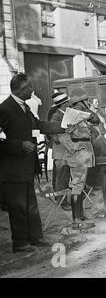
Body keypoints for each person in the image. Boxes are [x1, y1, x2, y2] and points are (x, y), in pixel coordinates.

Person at [0, 73, 65, 253]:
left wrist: (64, 127)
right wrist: (19, 145)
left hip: (27, 167)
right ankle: (20, 242)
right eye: (29, 87)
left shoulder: (25, 107)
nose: (32, 90)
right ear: (21, 89)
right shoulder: (4, 109)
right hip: (12, 170)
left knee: (30, 204)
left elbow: (39, 125)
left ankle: (36, 238)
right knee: (18, 207)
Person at [56, 89, 99, 230]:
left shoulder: (80, 115)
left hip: (84, 154)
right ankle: (77, 221)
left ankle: (80, 216)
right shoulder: (71, 115)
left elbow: (96, 120)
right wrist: (73, 148)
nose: (87, 103)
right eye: (85, 101)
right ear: (78, 102)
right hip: (79, 156)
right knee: (77, 186)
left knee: (80, 186)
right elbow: (61, 135)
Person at [49, 92, 72, 211]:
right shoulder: (57, 115)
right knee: (61, 178)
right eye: (67, 102)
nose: (69, 103)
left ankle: (64, 200)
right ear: (63, 104)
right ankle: (61, 202)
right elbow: (51, 130)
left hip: (66, 151)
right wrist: (57, 139)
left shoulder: (64, 114)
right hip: (60, 151)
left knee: (65, 176)